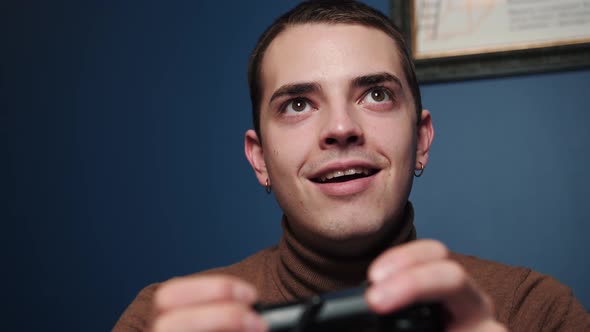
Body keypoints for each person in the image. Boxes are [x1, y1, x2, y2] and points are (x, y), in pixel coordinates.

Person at [114, 1, 589, 331]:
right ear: (259, 159)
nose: (341, 127)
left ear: (421, 140)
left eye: (376, 95)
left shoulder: (533, 311)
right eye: (298, 104)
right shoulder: (165, 321)